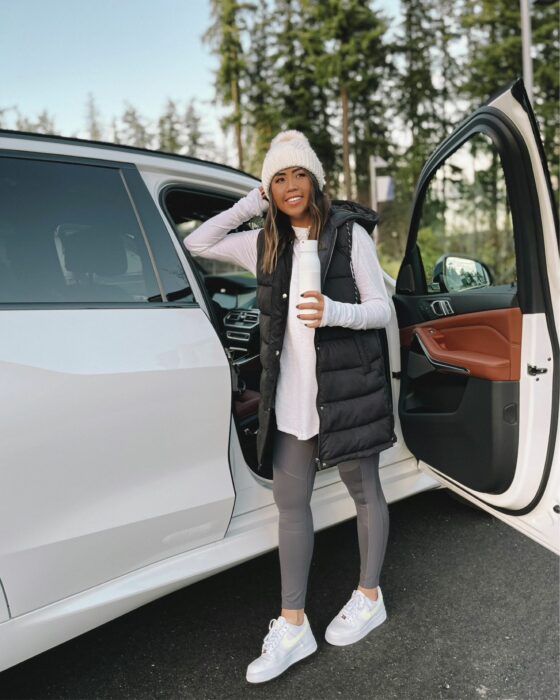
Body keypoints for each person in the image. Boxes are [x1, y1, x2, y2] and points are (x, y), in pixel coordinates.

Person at [183, 130, 395, 684]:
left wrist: (333, 311)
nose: (291, 186)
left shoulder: (348, 237)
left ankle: (370, 597)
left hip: (346, 390)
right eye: (279, 178)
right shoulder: (264, 242)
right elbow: (198, 244)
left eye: (299, 174)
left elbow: (381, 310)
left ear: (316, 180)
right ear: (269, 188)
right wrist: (251, 203)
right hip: (292, 398)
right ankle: (293, 623)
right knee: (291, 503)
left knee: (364, 490)